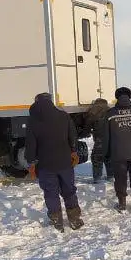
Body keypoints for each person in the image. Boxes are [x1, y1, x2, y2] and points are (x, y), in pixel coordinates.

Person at [24, 93, 84, 231]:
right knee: (69, 190)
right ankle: (74, 219)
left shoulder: (33, 121)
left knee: (51, 193)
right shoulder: (63, 116)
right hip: (65, 162)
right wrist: (74, 151)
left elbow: (30, 145)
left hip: (45, 165)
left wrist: (31, 163)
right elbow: (72, 135)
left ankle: (57, 221)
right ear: (50, 102)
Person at [84, 98, 112, 183]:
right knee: (109, 156)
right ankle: (111, 176)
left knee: (97, 157)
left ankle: (97, 178)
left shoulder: (93, 111)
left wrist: (87, 132)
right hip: (112, 138)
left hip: (100, 138)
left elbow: (88, 125)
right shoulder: (111, 111)